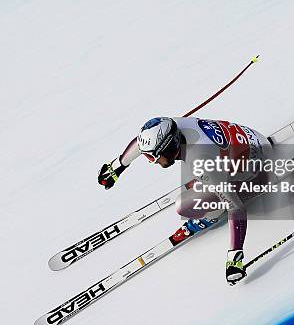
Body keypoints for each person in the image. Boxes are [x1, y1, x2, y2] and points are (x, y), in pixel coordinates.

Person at [98, 116, 272, 285]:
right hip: (256, 140)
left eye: (153, 157)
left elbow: (236, 208)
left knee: (183, 206)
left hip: (260, 175)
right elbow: (140, 142)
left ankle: (210, 215)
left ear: (168, 148)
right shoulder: (174, 125)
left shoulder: (202, 160)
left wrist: (235, 257)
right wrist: (117, 167)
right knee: (194, 182)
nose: (152, 162)